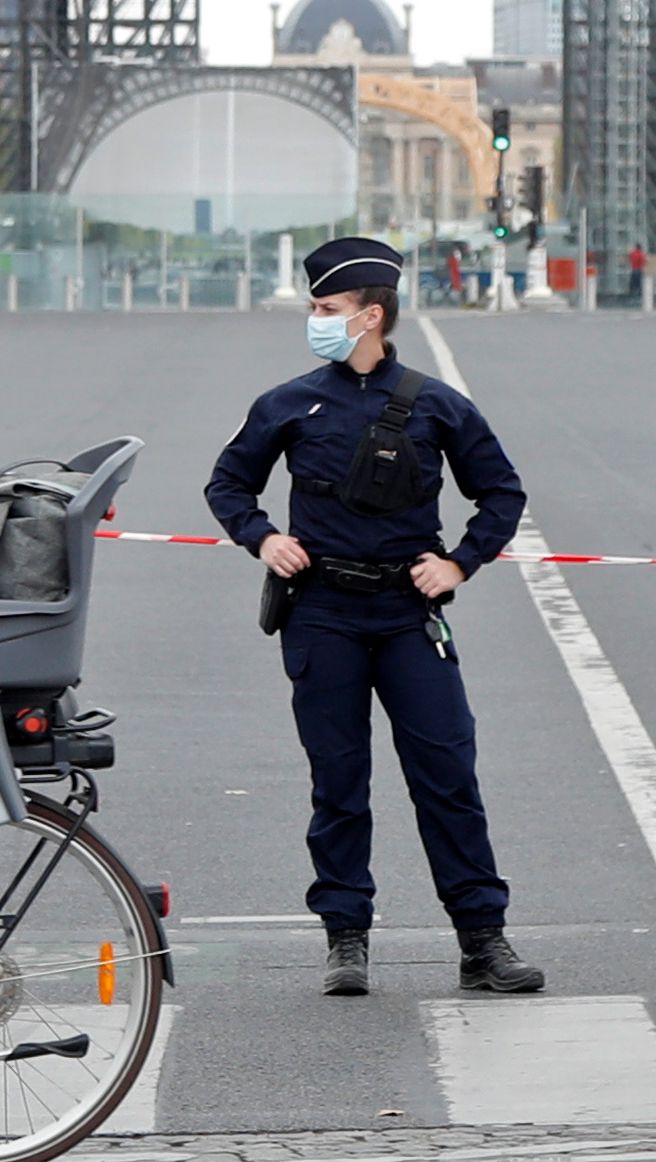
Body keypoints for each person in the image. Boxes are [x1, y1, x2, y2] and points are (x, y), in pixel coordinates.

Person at [206, 235, 546, 997]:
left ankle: (482, 940)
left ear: (370, 314)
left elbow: (502, 491)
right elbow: (228, 484)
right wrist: (265, 539)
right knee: (339, 781)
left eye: (326, 308)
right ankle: (346, 938)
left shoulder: (436, 404)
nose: (314, 319)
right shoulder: (287, 403)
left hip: (406, 613)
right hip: (321, 612)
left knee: (448, 774)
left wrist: (459, 560)